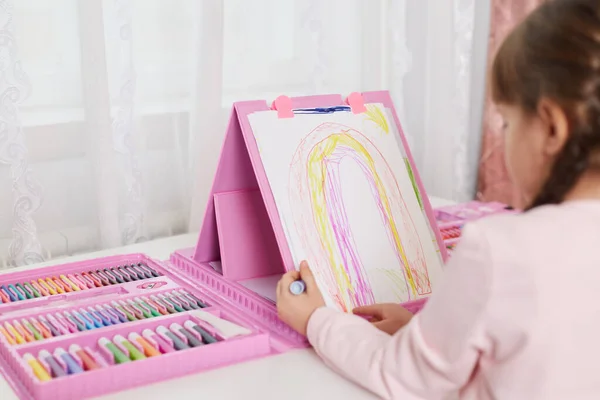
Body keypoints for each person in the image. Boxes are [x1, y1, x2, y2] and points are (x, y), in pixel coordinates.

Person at [276, 0, 600, 398]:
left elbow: (401, 377)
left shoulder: (500, 250)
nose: (504, 136)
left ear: (552, 127)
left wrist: (316, 319)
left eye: (508, 122)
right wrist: (421, 331)